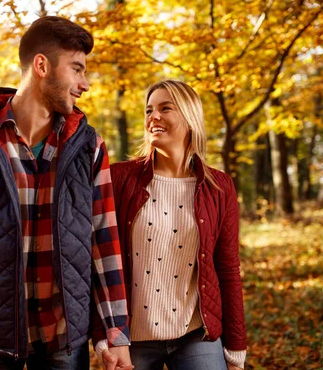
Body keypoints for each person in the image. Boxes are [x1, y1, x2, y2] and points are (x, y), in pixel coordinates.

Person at [0, 16, 132, 370]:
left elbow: (103, 242)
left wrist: (114, 333)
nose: (85, 84)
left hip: (64, 340)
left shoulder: (90, 147)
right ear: (41, 65)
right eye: (77, 69)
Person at [94, 80, 247, 369]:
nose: (154, 116)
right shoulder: (119, 179)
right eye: (149, 110)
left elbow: (227, 268)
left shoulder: (219, 187)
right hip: (131, 339)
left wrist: (236, 346)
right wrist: (107, 336)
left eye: (166, 108)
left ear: (190, 118)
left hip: (194, 334)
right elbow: (99, 262)